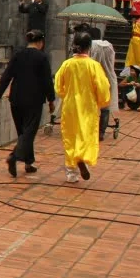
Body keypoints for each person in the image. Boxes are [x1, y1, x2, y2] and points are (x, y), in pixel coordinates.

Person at [0, 30, 54, 176]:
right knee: (29, 132)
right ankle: (14, 157)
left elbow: (7, 75)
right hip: (33, 100)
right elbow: (47, 81)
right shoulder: (42, 57)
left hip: (16, 98)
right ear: (40, 42)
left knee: (23, 132)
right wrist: (51, 99)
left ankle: (28, 162)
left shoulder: (18, 55)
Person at [53, 32, 110, 183]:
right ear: (89, 47)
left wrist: (66, 94)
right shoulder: (94, 65)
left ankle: (72, 173)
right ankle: (82, 156)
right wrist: (102, 101)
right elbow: (103, 87)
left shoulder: (67, 64)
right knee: (86, 134)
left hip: (70, 105)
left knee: (70, 136)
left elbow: (58, 86)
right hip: (88, 106)